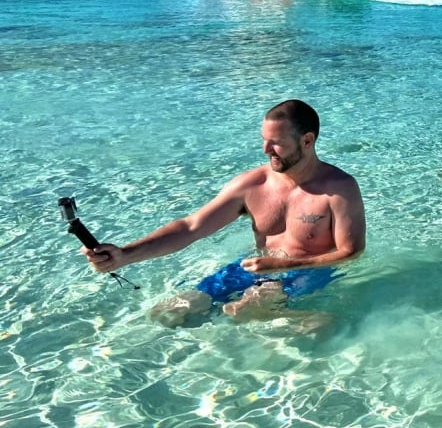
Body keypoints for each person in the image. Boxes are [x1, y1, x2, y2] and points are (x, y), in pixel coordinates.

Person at [84, 100, 366, 326]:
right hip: (257, 267)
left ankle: (313, 319)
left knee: (243, 311)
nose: (266, 150)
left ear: (307, 140)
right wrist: (125, 255)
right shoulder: (252, 185)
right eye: (264, 140)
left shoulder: (339, 189)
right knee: (168, 314)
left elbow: (351, 252)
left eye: (276, 143)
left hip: (311, 271)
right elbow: (190, 227)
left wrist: (284, 268)